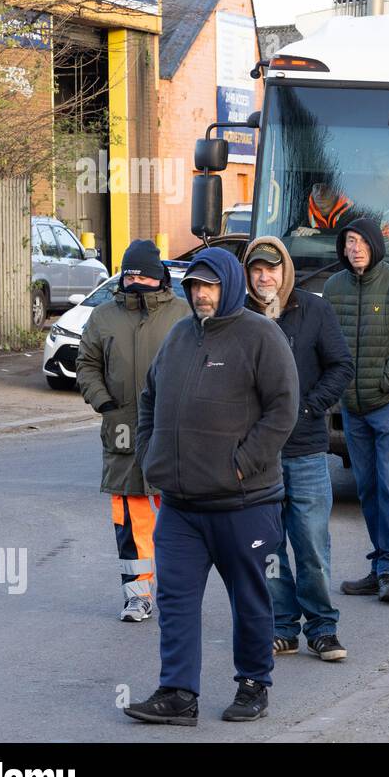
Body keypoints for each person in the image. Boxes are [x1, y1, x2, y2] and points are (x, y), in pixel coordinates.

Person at [125, 247, 299, 726]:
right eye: (195, 286)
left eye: (210, 285)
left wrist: (242, 465)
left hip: (244, 503)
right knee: (176, 599)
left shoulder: (261, 335)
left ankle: (253, 684)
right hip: (181, 506)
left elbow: (283, 409)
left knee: (249, 597)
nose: (201, 294)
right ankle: (179, 693)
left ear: (229, 285)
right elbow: (149, 398)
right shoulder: (180, 335)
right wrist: (150, 453)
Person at [243, 238, 355, 663]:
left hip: (306, 450)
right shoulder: (240, 316)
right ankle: (282, 628)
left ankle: (323, 629)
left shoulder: (313, 309)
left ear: (284, 270)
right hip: (258, 456)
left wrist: (309, 406)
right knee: (266, 547)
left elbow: (341, 365)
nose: (263, 276)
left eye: (271, 268)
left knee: (310, 543)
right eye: (256, 269)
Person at [76, 240, 187, 622]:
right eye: (128, 273)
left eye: (141, 273)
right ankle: (137, 596)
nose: (134, 279)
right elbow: (86, 363)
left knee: (177, 517)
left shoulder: (183, 315)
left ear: (158, 277)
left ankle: (176, 594)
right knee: (130, 519)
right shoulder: (104, 316)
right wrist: (104, 403)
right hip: (121, 432)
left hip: (172, 431)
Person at [325, 219, 389, 604]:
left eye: (361, 242)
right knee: (367, 489)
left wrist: (387, 378)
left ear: (374, 245)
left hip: (388, 403)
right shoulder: (334, 288)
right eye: (349, 242)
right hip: (352, 407)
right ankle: (379, 564)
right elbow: (326, 343)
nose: (354, 248)